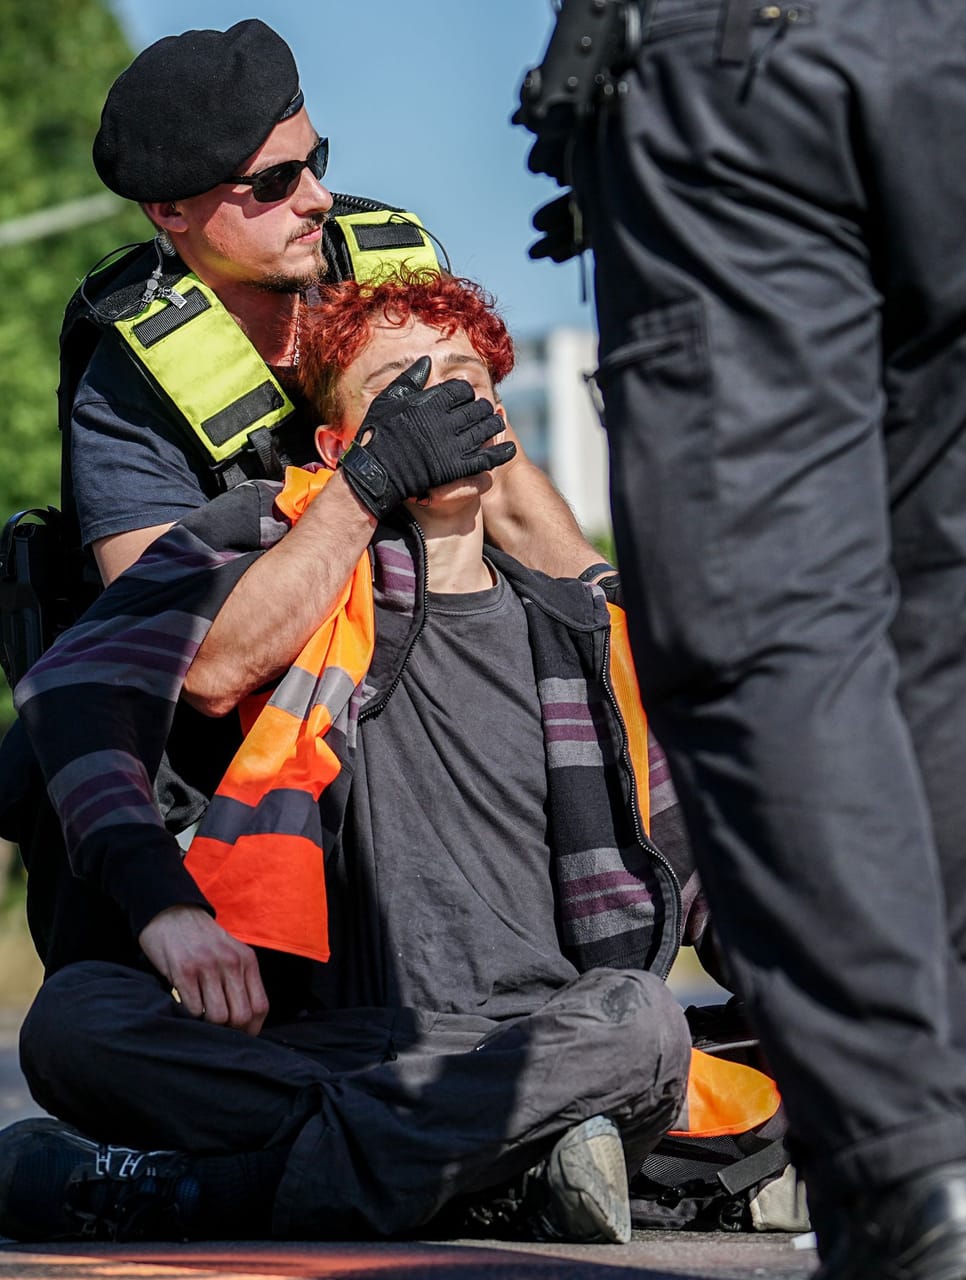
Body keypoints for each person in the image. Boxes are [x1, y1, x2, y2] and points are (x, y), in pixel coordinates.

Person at [538, 2, 966, 1274]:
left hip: (738, 61)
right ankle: (916, 1171)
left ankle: (914, 1171)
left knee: (761, 631)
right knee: (965, 645)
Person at [0, 273, 697, 1244]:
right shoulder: (289, 559)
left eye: (463, 377)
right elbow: (77, 694)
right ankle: (499, 1169)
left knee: (645, 1024)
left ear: (501, 410)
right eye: (403, 388)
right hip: (313, 1042)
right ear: (336, 442)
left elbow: (715, 870)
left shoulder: (581, 628)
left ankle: (212, 1190)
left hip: (531, 1039)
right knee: (76, 1019)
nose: (442, 402)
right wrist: (165, 905)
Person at [43, 18, 604, 715]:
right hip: (241, 765)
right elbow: (203, 668)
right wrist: (368, 481)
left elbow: (506, 483)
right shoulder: (125, 389)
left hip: (436, 692)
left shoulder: (384, 271)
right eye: (276, 181)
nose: (318, 199)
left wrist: (612, 609)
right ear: (170, 210)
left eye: (317, 160)